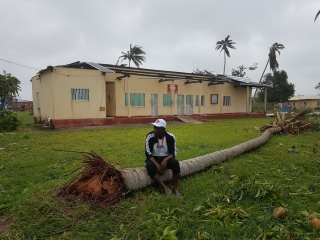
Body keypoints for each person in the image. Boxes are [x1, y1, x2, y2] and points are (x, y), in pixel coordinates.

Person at [145, 119, 183, 198]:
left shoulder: (170, 136)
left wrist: (165, 160)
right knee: (149, 165)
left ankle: (175, 188)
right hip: (154, 158)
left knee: (175, 163)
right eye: (154, 127)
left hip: (166, 157)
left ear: (163, 129)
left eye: (158, 128)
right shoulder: (150, 136)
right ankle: (164, 187)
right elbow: (148, 153)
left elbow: (173, 152)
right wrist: (156, 164)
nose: (155, 130)